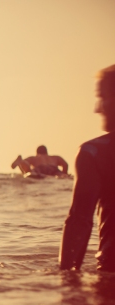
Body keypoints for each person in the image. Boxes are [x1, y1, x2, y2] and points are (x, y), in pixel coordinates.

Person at [60, 64, 115, 271]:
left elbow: (80, 221)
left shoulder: (95, 152)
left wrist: (67, 282)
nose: (97, 108)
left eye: (102, 97)